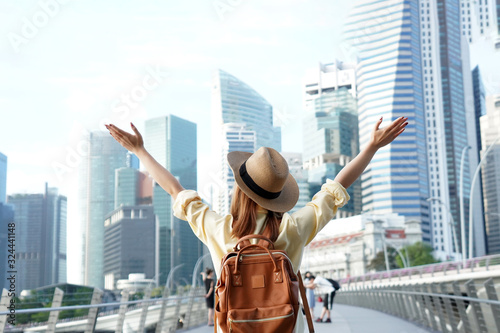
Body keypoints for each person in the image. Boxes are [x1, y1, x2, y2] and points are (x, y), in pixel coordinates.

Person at [106, 116, 407, 332]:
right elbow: (335, 189)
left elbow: (174, 189)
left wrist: (139, 151)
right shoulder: (293, 228)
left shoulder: (220, 228)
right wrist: (371, 147)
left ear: (240, 189)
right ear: (278, 195)